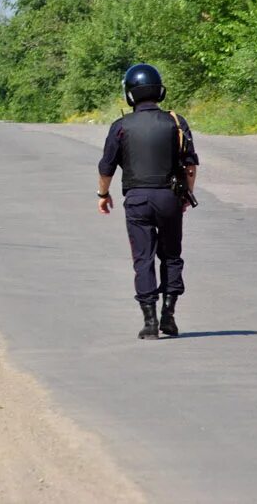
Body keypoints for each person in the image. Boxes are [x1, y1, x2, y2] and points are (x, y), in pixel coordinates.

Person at [97, 64, 199, 340]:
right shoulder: (176, 122)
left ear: (130, 94)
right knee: (171, 256)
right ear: (159, 90)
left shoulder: (120, 127)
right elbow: (190, 165)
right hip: (169, 197)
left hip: (137, 199)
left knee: (143, 258)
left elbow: (106, 167)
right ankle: (169, 314)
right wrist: (186, 195)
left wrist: (103, 195)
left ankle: (150, 321)